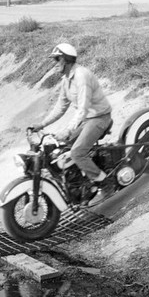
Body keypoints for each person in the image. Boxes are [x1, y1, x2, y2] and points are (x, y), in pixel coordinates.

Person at [30, 43, 113, 191]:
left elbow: (83, 109)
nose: (54, 64)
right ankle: (80, 182)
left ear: (65, 60)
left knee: (77, 152)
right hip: (86, 120)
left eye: (56, 60)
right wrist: (42, 125)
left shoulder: (82, 76)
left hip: (99, 117)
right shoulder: (66, 80)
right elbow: (60, 107)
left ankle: (104, 183)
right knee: (63, 148)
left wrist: (68, 130)